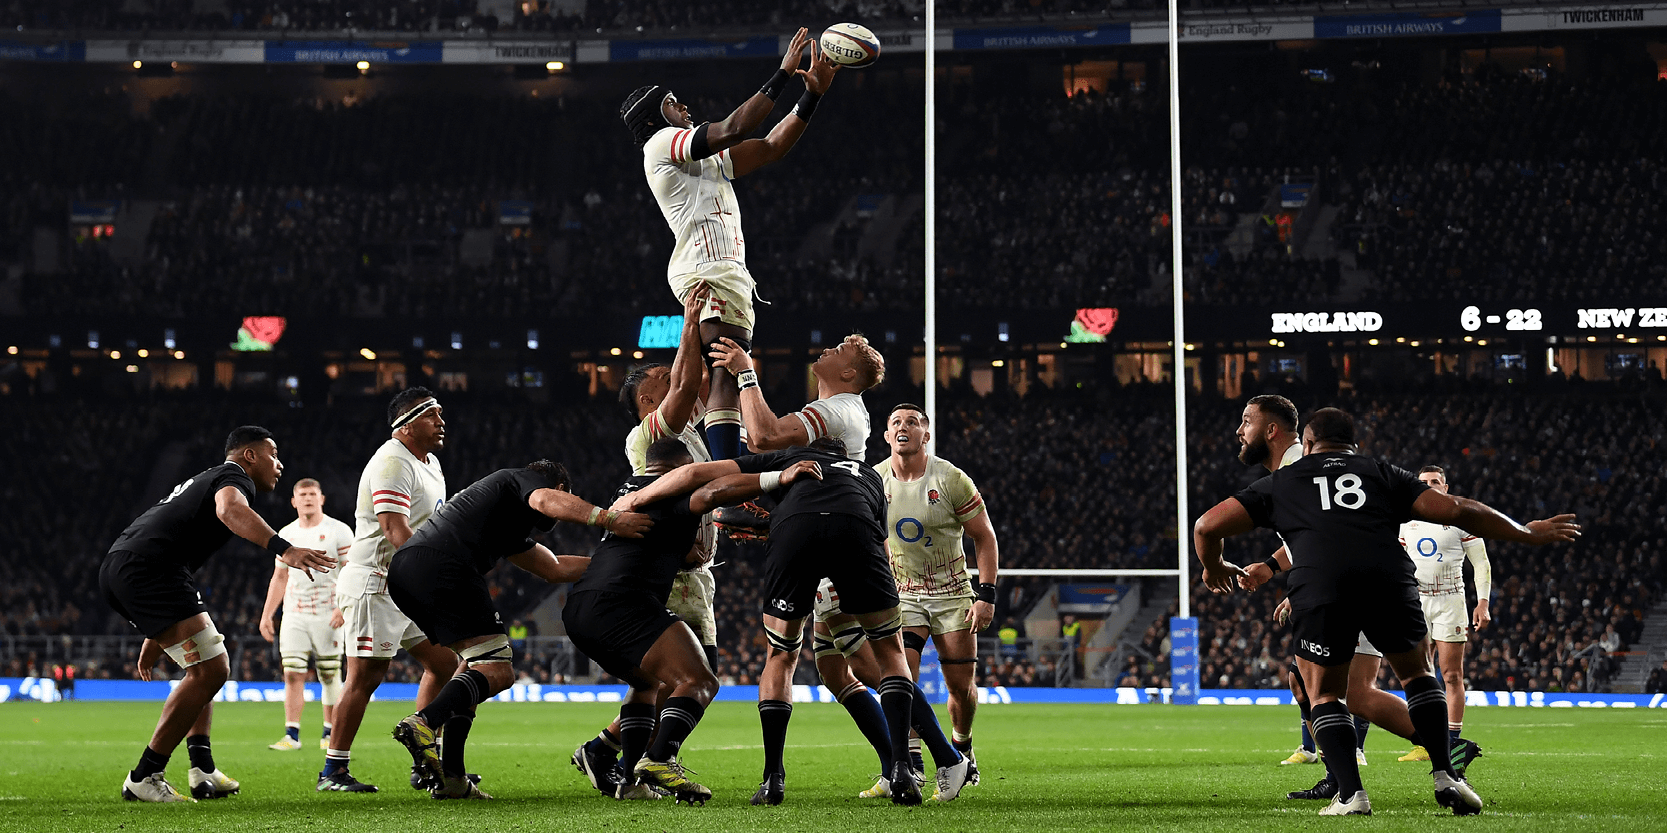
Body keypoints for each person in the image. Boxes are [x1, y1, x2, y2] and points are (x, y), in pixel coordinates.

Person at [1196, 407, 1579, 816]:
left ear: (1306, 444)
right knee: (1417, 675)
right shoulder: (1381, 471)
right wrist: (1526, 532)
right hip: (1388, 580)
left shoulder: (1283, 480)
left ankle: (1351, 795)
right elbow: (1457, 510)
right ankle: (1446, 773)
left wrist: (1214, 566)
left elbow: (1206, 526)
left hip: (1323, 587)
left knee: (1324, 692)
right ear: (1354, 445)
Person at [613, 439, 972, 806]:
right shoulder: (866, 472)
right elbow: (877, 541)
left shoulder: (789, 456)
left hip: (798, 539)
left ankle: (776, 778)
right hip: (855, 538)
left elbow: (699, 476)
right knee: (868, 658)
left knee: (792, 657)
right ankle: (902, 766)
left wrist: (634, 500)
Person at [620, 27, 837, 461]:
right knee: (726, 370)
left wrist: (811, 96)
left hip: (719, 268)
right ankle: (729, 475)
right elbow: (735, 126)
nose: (683, 106)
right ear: (653, 118)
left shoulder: (697, 156)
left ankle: (724, 468)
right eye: (670, 102)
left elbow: (771, 146)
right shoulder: (661, 143)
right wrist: (782, 73)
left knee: (723, 371)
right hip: (707, 267)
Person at [567, 439, 819, 803]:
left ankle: (618, 767)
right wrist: (777, 477)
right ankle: (659, 759)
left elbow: (659, 540)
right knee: (699, 680)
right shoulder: (669, 492)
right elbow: (714, 491)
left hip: (581, 609)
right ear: (679, 469)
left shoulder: (630, 490)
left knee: (650, 684)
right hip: (624, 604)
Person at [389, 460, 649, 799]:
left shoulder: (505, 523)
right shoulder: (522, 480)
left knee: (474, 665)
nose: (556, 513)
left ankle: (452, 778)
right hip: (444, 567)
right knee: (499, 671)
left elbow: (554, 568)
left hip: (408, 572)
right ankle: (424, 722)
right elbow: (544, 500)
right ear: (559, 487)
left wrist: (622, 569)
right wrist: (610, 519)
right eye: (564, 496)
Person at [100, 426, 335, 802]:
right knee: (213, 669)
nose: (280, 464)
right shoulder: (233, 477)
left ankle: (202, 770)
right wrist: (284, 548)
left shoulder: (208, 479)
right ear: (250, 456)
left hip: (130, 568)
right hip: (150, 571)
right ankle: (145, 774)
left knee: (203, 669)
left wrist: (155, 631)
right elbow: (229, 510)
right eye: (273, 455)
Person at [573, 289, 722, 796]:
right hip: (670, 571)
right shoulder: (651, 432)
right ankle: (647, 762)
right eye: (664, 378)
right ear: (648, 399)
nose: (680, 378)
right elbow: (686, 382)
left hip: (693, 571)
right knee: (691, 676)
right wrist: (690, 322)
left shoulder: (689, 435)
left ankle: (616, 757)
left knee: (664, 679)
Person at [322, 388, 461, 793]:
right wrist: (439, 571)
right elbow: (394, 530)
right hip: (376, 583)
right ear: (407, 423)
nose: (441, 422)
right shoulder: (390, 462)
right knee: (365, 676)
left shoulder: (430, 462)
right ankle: (333, 770)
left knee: (446, 665)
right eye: (433, 416)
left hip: (406, 582)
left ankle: (425, 757)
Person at [875, 403, 1001, 789]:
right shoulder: (875, 479)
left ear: (925, 435)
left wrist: (986, 595)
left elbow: (985, 536)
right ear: (886, 435)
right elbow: (873, 538)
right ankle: (911, 759)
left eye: (912, 423)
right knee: (902, 678)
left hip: (952, 594)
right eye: (896, 422)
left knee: (959, 688)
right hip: (905, 594)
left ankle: (963, 746)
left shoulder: (949, 478)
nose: (903, 427)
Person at [1395, 466, 1493, 762]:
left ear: (1445, 487)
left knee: (1451, 674)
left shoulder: (1461, 518)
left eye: (1434, 481)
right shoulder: (1405, 520)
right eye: (1422, 482)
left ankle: (1451, 742)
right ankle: (1424, 742)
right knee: (1415, 675)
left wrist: (1483, 602)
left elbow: (1482, 564)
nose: (1428, 485)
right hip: (1416, 602)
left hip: (1451, 600)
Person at [259, 478, 354, 752]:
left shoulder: (340, 531)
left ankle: (330, 732)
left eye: (313, 494)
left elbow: (351, 572)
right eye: (303, 494)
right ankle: (292, 735)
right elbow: (279, 576)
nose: (308, 498)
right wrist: (267, 615)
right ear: (294, 501)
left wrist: (343, 606)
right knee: (292, 673)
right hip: (295, 614)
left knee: (329, 673)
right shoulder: (286, 534)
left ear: (322, 498)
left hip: (328, 613)